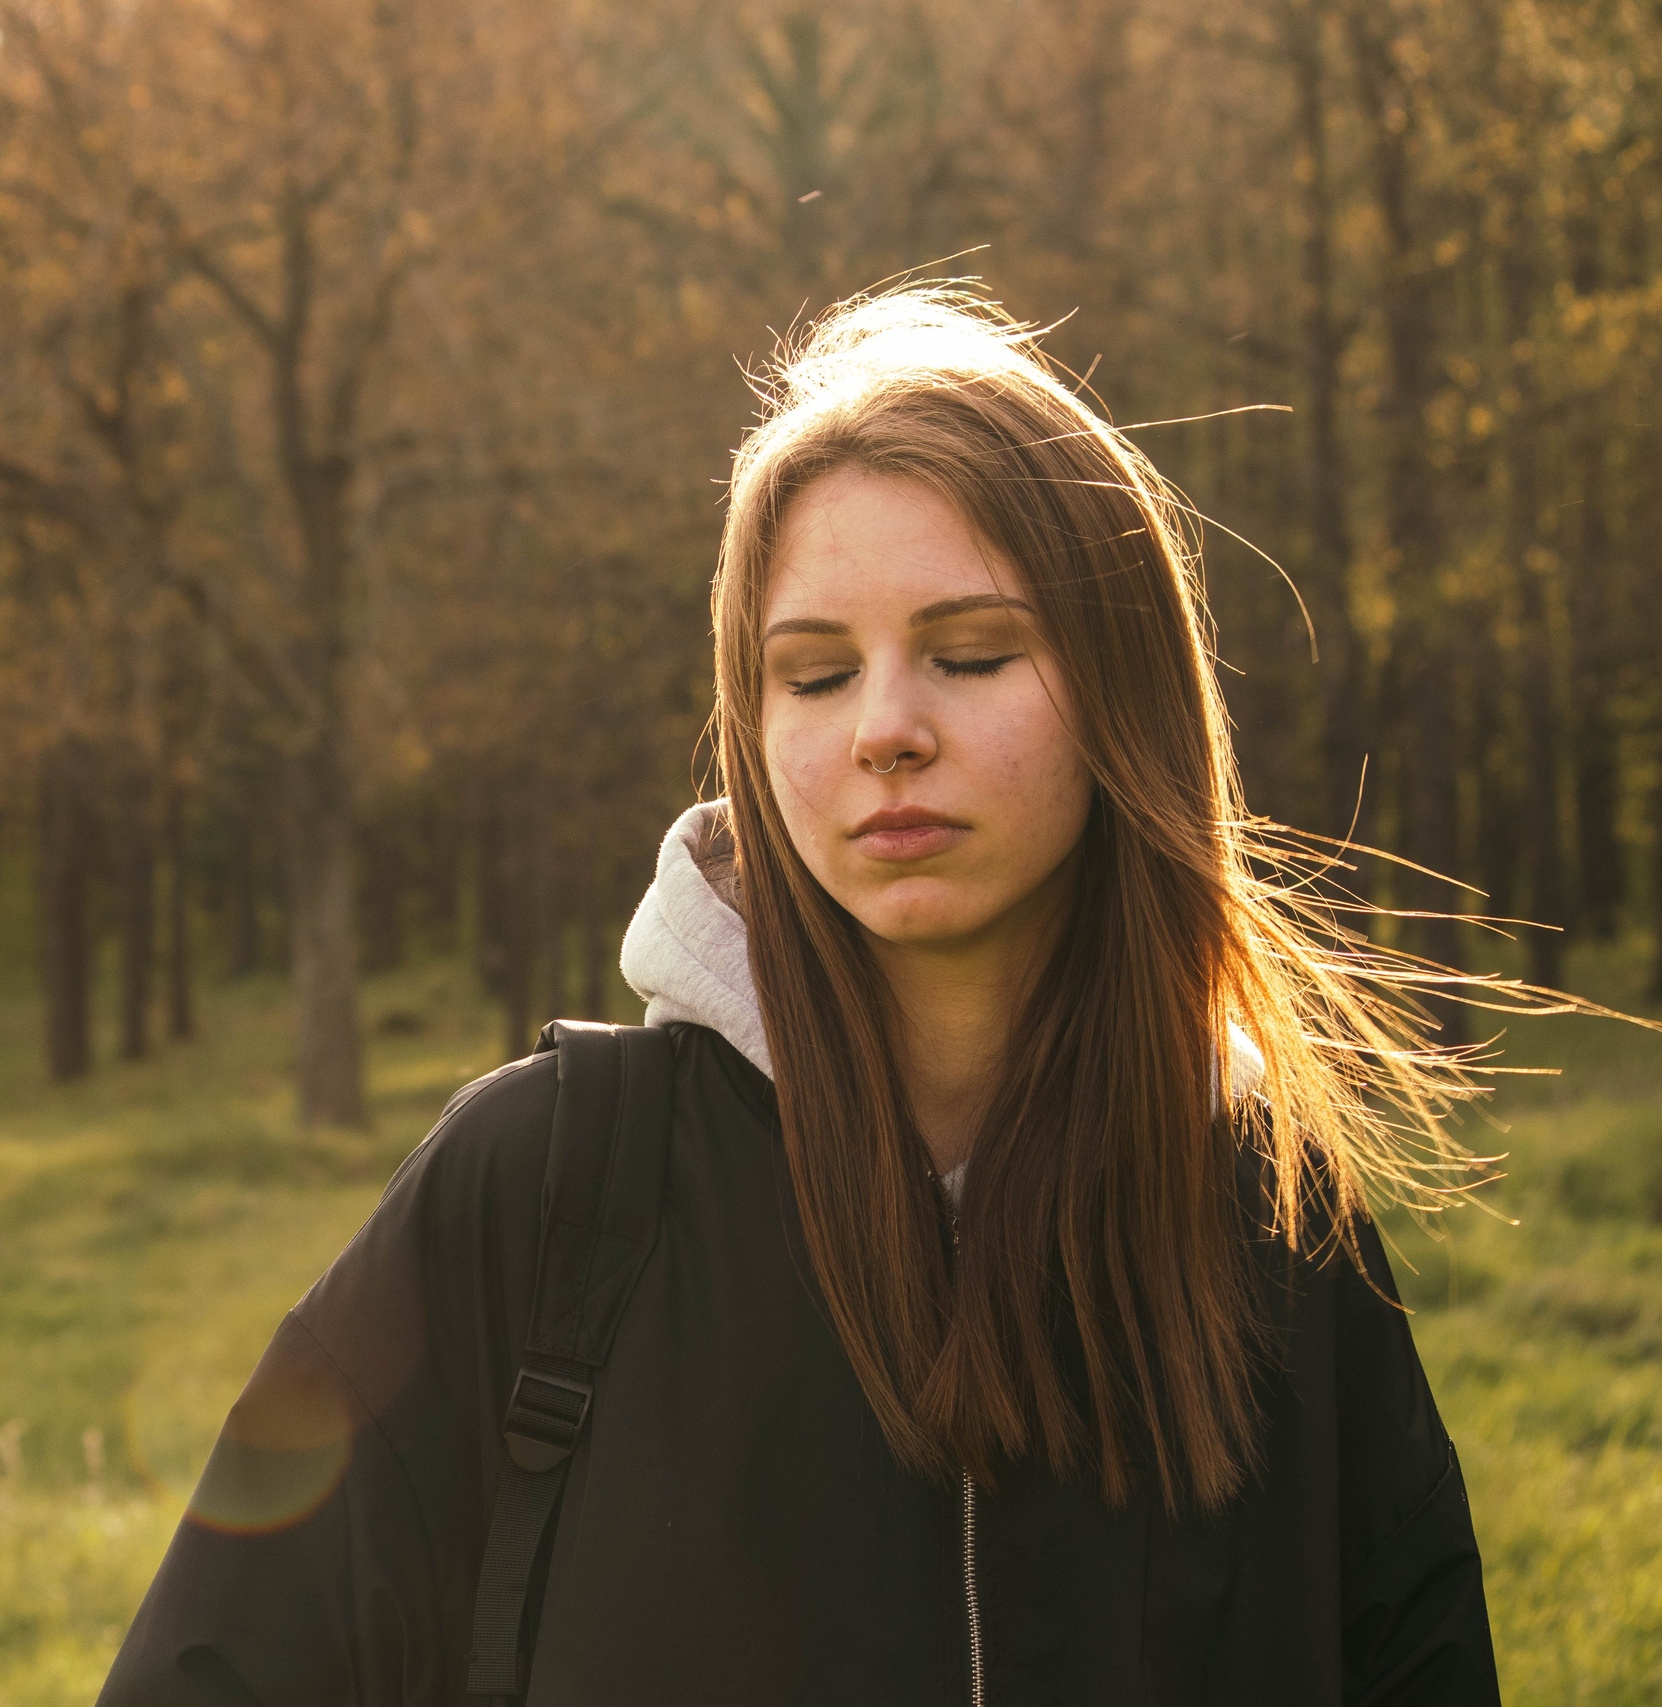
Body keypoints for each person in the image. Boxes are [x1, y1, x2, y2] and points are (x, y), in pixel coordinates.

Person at [98, 287, 1501, 1705]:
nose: (886, 729)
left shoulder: (1277, 1224)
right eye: (816, 674)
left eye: (971, 654)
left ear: (1125, 692)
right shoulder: (541, 1191)